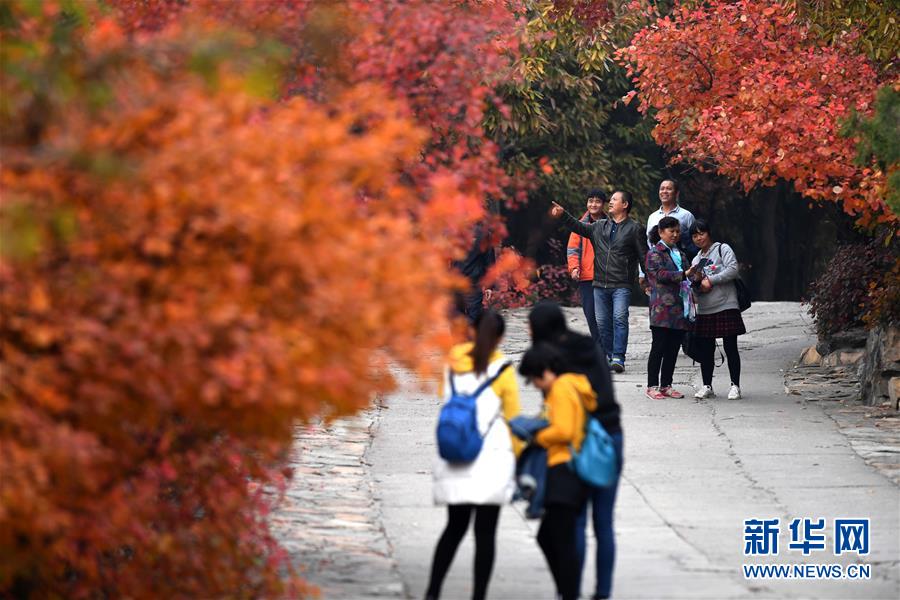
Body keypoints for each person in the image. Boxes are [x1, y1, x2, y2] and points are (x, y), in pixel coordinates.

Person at [528, 302, 623, 600]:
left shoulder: (554, 361)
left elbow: (557, 414)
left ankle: (568, 591)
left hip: (578, 443)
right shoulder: (588, 346)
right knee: (604, 522)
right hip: (610, 437)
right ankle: (603, 592)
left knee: (576, 522)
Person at [426, 310, 521, 600]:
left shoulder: (452, 362)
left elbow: (446, 396)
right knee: (485, 534)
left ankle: (432, 592)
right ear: (501, 338)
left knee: (454, 528)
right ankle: (478, 595)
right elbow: (513, 418)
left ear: (472, 331)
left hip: (456, 453)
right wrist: (520, 461)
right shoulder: (503, 369)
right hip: (491, 457)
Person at [518, 342, 595, 600]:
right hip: (564, 471)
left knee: (560, 541)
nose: (535, 385)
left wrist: (537, 437)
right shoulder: (563, 387)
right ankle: (565, 590)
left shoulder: (561, 389)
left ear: (544, 370)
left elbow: (563, 430)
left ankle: (568, 592)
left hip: (565, 470)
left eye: (533, 379)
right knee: (549, 537)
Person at [551, 191, 647, 373]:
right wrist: (563, 214)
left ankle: (618, 356)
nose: (609, 203)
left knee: (619, 319)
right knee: (601, 322)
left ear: (625, 205)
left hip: (621, 283)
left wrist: (648, 279)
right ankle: (610, 356)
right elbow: (577, 227)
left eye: (613, 200)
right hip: (599, 284)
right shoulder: (599, 226)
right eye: (609, 200)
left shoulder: (635, 228)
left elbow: (644, 257)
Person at [689, 219, 746, 400]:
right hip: (706, 308)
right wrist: (697, 283)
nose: (699, 238)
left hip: (726, 304)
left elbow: (733, 270)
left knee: (731, 347)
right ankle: (707, 386)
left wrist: (711, 280)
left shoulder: (723, 249)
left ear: (708, 233)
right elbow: (696, 286)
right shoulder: (696, 259)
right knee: (706, 351)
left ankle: (735, 386)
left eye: (701, 233)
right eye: (695, 235)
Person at [644, 217, 700, 400]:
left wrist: (697, 275)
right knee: (658, 348)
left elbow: (688, 275)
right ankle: (652, 385)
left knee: (673, 349)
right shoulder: (654, 253)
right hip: (661, 309)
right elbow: (660, 275)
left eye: (677, 231)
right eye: (671, 231)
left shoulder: (680, 253)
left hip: (679, 308)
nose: (675, 235)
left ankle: (666, 385)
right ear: (661, 232)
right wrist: (684, 274)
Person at [640, 179, 697, 293]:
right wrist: (642, 273)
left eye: (669, 188)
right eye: (662, 188)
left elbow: (695, 243)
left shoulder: (686, 216)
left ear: (676, 193)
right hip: (657, 268)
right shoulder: (653, 217)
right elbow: (647, 244)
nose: (664, 191)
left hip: (680, 266)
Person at [566, 189, 606, 346]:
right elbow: (572, 249)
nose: (593, 204)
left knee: (606, 316)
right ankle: (600, 348)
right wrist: (574, 268)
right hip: (587, 278)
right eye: (590, 201)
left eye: (597, 201)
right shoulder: (579, 225)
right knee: (591, 315)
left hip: (607, 277)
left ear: (603, 204)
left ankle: (607, 348)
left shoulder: (611, 224)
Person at [453, 223, 495, 324]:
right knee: (473, 316)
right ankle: (471, 337)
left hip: (457, 281)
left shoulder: (454, 233)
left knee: (457, 317)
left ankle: (461, 338)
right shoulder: (484, 234)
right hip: (473, 282)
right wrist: (489, 286)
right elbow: (489, 262)